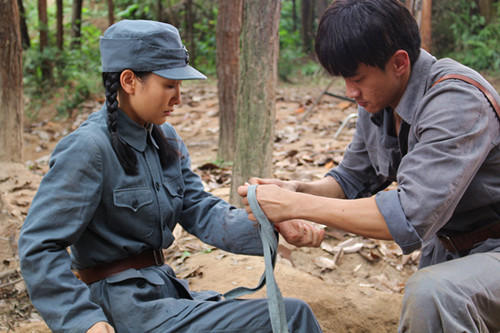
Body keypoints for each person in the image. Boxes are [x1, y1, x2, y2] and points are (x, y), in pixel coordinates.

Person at [18, 20, 324, 333]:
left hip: (164, 294)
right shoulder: (88, 148)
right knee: (290, 316)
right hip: (122, 309)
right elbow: (39, 247)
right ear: (129, 81)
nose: (179, 97)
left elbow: (199, 209)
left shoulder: (166, 138)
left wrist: (272, 226)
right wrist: (83, 321)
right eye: (169, 84)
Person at [238, 0, 500, 332]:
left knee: (434, 294)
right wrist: (295, 190)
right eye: (344, 79)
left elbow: (407, 217)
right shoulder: (379, 97)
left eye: (358, 78)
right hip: (450, 251)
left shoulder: (457, 101)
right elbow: (351, 179)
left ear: (399, 62)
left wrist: (296, 205)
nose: (351, 93)